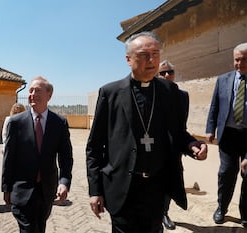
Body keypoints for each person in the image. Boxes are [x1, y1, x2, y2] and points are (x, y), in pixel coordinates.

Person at [86, 31, 208, 233]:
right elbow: (95, 146)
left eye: (155, 53)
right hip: (123, 187)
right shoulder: (110, 93)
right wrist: (95, 190)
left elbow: (178, 133)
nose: (151, 60)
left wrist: (191, 145)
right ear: (128, 59)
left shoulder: (170, 92)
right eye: (144, 55)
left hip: (157, 188)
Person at [2, 76, 73, 233]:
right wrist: (6, 187)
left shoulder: (59, 123)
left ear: (49, 95)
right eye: (31, 90)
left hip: (47, 190)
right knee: (28, 228)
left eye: (38, 90)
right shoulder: (16, 123)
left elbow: (65, 156)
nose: (32, 94)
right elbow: (9, 157)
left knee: (40, 227)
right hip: (20, 190)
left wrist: (64, 181)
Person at [206, 42, 247, 227]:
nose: (239, 63)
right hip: (228, 135)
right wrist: (210, 128)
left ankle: (245, 213)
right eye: (237, 59)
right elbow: (214, 106)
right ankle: (221, 208)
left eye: (244, 59)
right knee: (227, 172)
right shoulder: (223, 79)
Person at [158, 60, 191, 230]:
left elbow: (181, 125)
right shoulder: (151, 93)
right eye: (162, 73)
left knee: (170, 180)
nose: (166, 75)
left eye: (169, 72)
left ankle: (164, 212)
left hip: (173, 147)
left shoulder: (182, 96)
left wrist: (187, 145)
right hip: (152, 148)